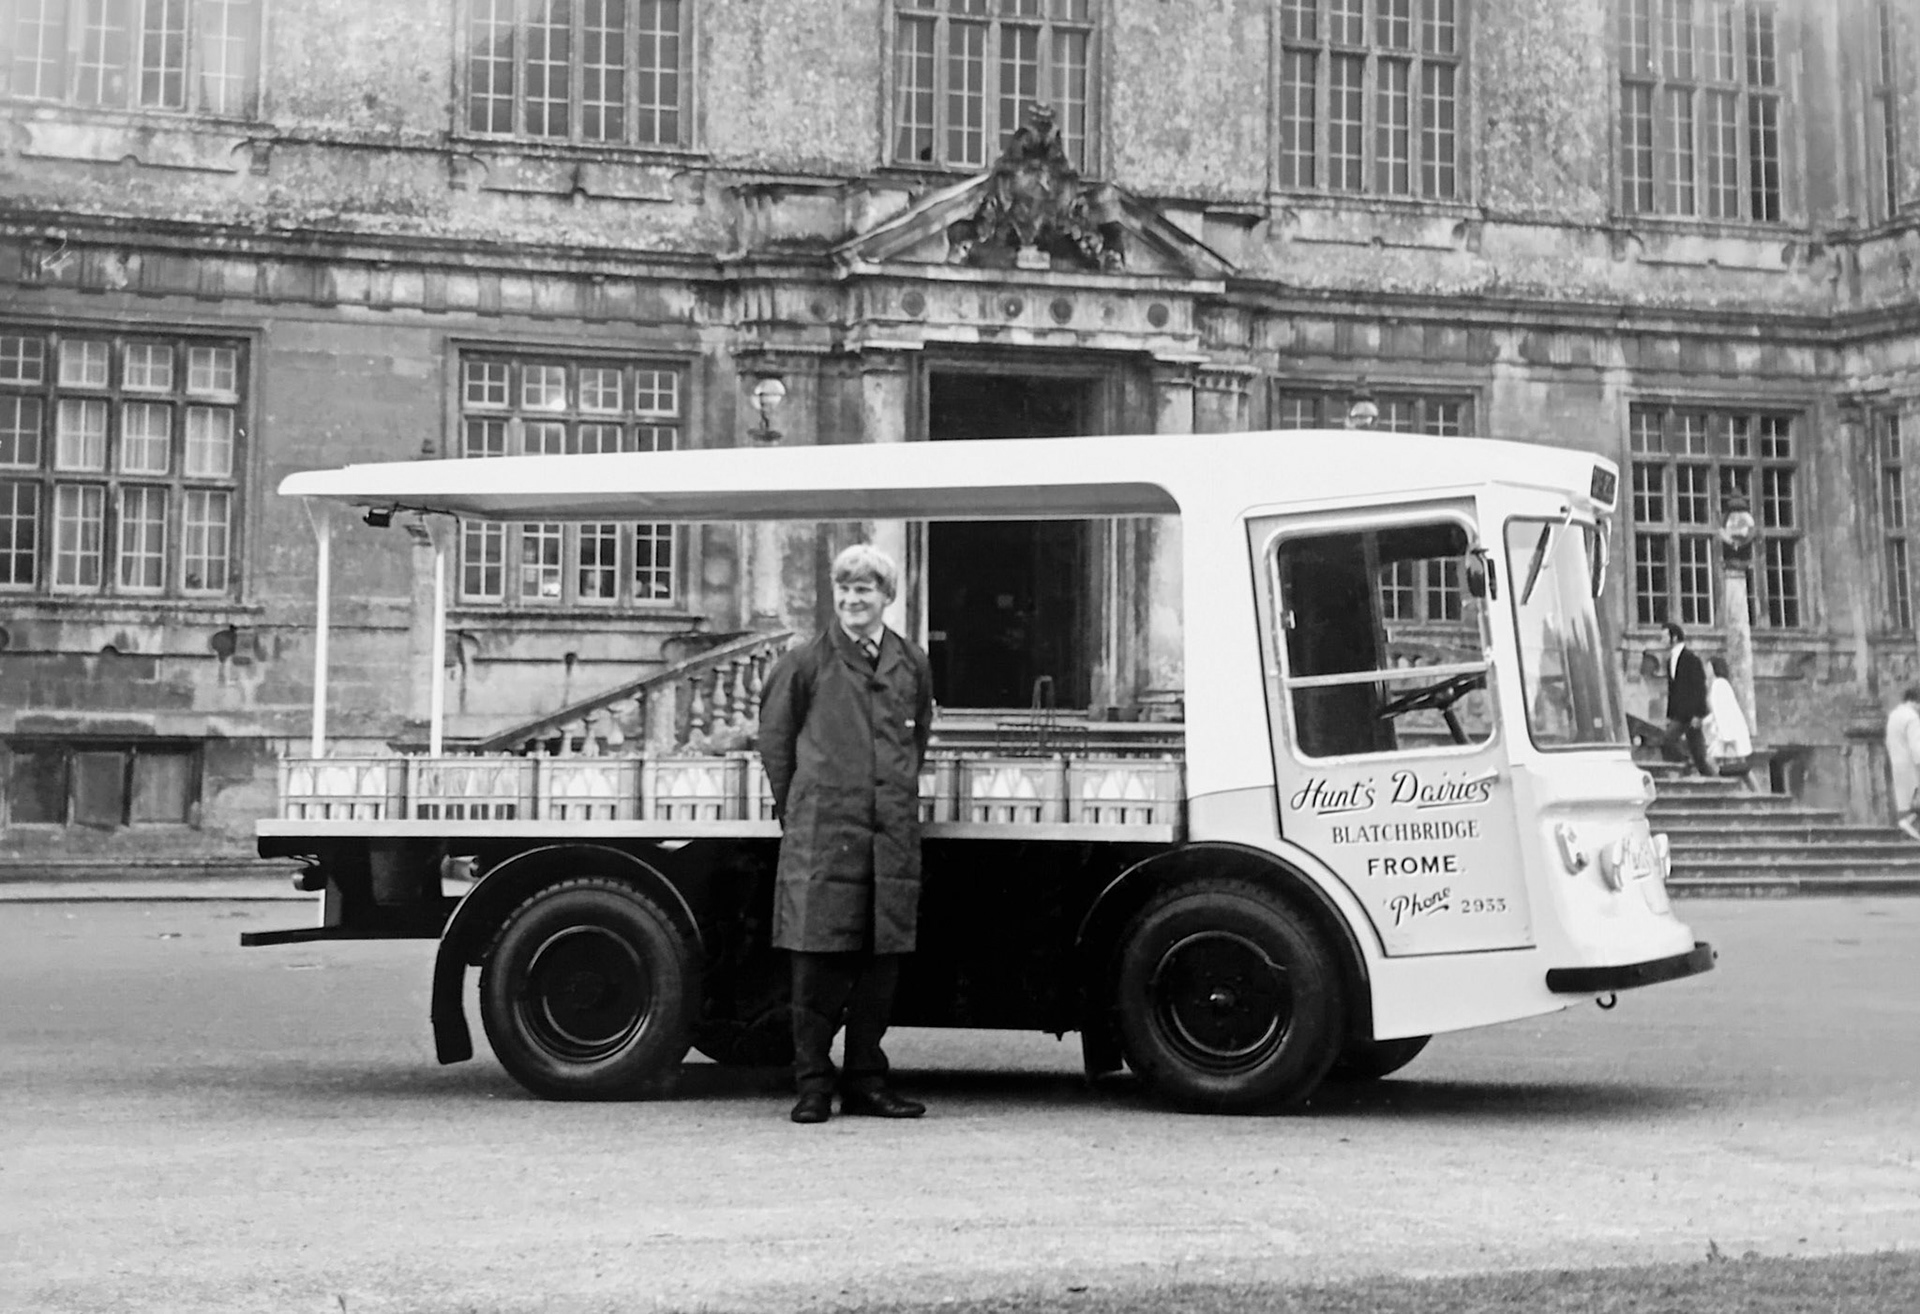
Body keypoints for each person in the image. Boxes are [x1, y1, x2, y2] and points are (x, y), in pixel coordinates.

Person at [757, 544, 935, 1124]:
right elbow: (776, 745)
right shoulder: (804, 663)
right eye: (845, 588)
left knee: (878, 968)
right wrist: (804, 810)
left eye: (866, 589)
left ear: (887, 597)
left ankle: (865, 1080)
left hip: (889, 835)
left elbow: (917, 738)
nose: (853, 599)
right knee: (816, 967)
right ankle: (812, 1084)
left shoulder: (911, 662)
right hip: (824, 833)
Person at [1661, 622, 1714, 777]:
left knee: (1668, 740)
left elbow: (1699, 688)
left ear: (1674, 637)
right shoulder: (1670, 661)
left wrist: (1699, 714)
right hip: (1679, 714)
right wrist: (1669, 716)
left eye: (1664, 636)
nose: (1662, 640)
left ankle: (1686, 765)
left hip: (1691, 714)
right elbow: (1673, 691)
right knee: (1699, 756)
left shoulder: (1691, 659)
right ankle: (1705, 775)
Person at [1702, 654, 1753, 778]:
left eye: (1708, 667)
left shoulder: (1719, 685)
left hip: (1727, 733)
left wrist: (1727, 738)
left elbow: (1723, 712)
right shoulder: (1718, 685)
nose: (1706, 669)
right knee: (1740, 767)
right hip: (1727, 733)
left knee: (1711, 760)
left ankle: (1722, 784)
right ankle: (1755, 791)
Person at [1885, 686, 1920, 841]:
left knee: (1906, 802)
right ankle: (1907, 822)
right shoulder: (1912, 718)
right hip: (1911, 765)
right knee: (1914, 802)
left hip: (1897, 762)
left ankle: (1907, 824)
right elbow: (1917, 747)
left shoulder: (1894, 715)